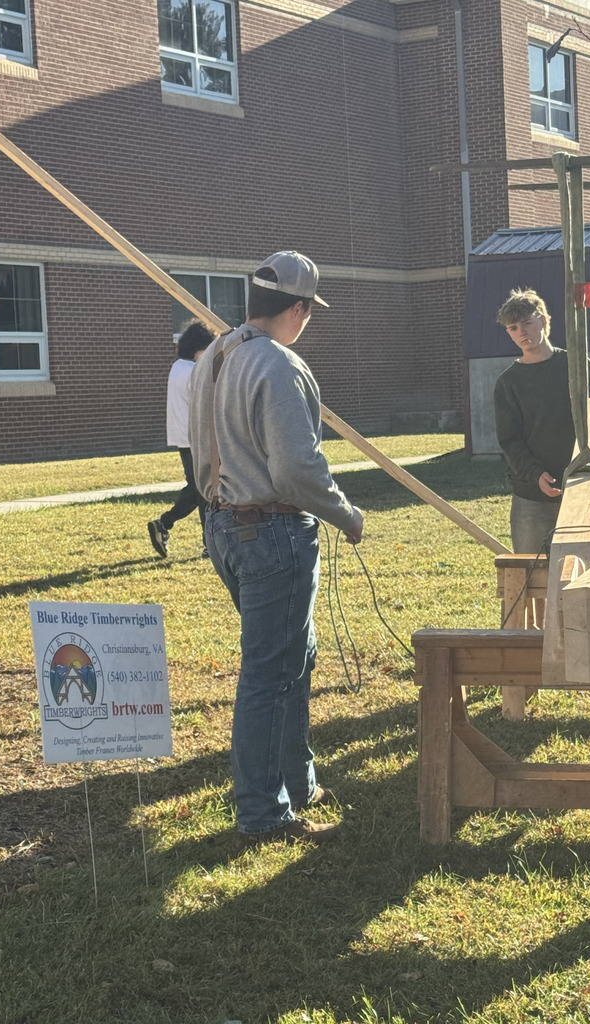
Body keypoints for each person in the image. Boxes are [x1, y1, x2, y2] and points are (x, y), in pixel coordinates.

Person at [188, 250, 363, 845]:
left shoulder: (214, 354)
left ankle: (299, 780)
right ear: (297, 308)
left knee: (294, 657)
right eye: (309, 310)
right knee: (271, 672)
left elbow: (199, 453)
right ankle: (264, 813)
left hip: (223, 528)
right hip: (273, 532)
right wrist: (345, 513)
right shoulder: (278, 364)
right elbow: (295, 469)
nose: (308, 319)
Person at [493, 287, 590, 556]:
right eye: (513, 328)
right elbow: (510, 441)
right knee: (532, 577)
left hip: (582, 489)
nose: (522, 333)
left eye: (527, 323)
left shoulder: (576, 365)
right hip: (532, 495)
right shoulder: (507, 383)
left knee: (584, 577)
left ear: (543, 319)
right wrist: (535, 475)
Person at [148, 320, 215, 559]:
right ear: (200, 347)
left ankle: (165, 525)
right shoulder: (195, 371)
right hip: (196, 438)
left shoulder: (177, 367)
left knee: (200, 489)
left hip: (182, 438)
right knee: (203, 491)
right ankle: (170, 525)